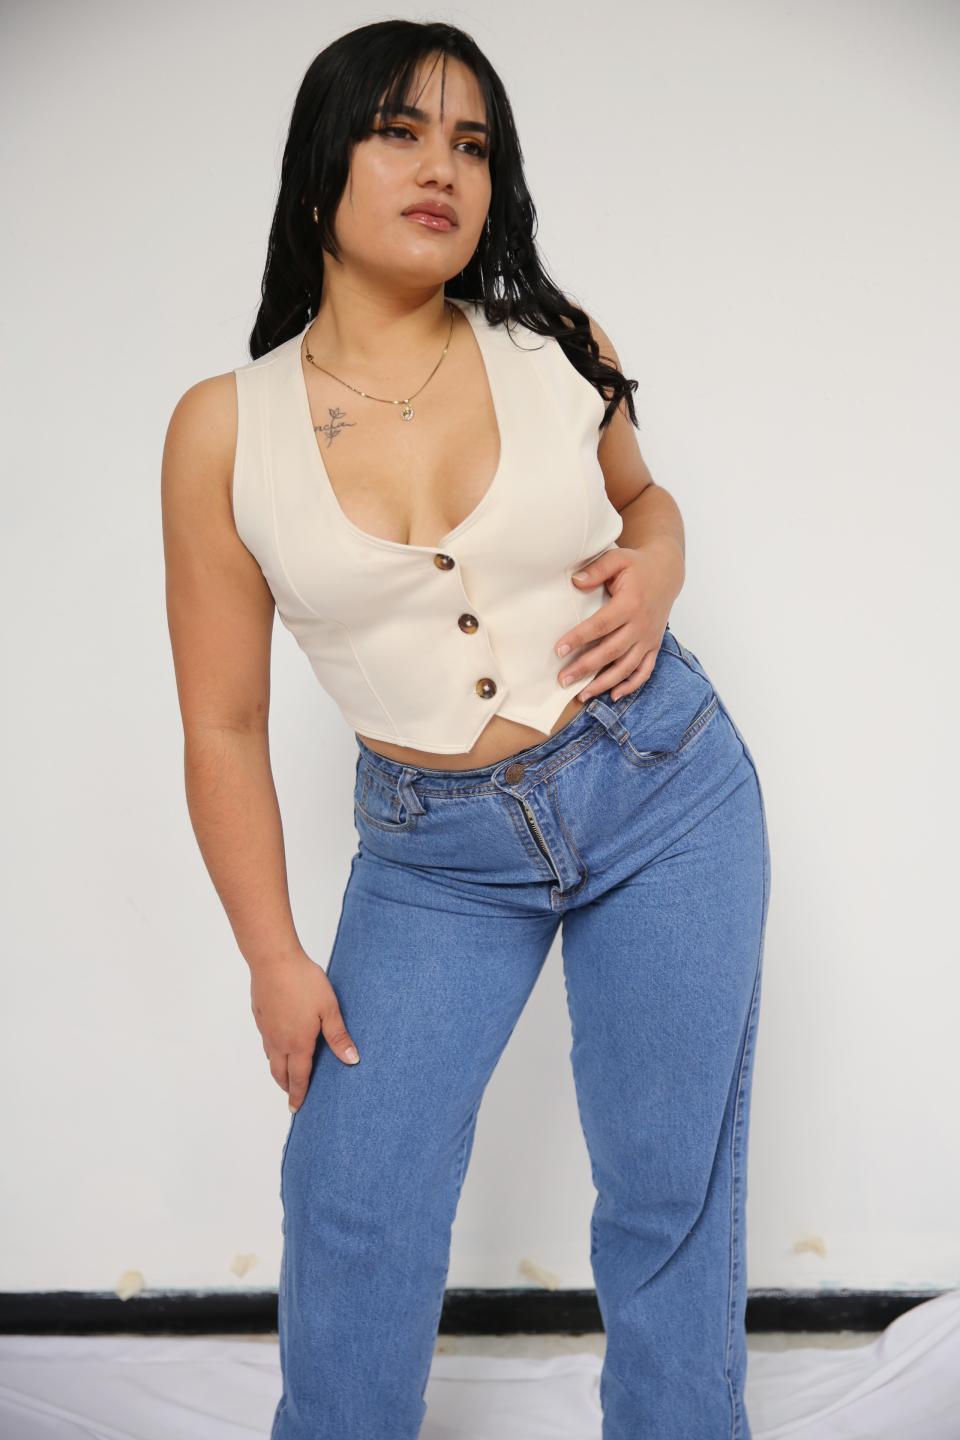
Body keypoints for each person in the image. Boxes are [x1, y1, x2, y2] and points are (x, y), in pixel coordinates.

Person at [162, 19, 771, 1440]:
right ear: (323, 163)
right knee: (353, 1192)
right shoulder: (224, 429)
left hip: (663, 787)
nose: (443, 167)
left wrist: (660, 565)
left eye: (473, 143)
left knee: (668, 1183)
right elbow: (223, 722)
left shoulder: (557, 343)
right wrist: (273, 956)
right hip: (436, 859)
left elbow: (646, 505)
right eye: (401, 131)